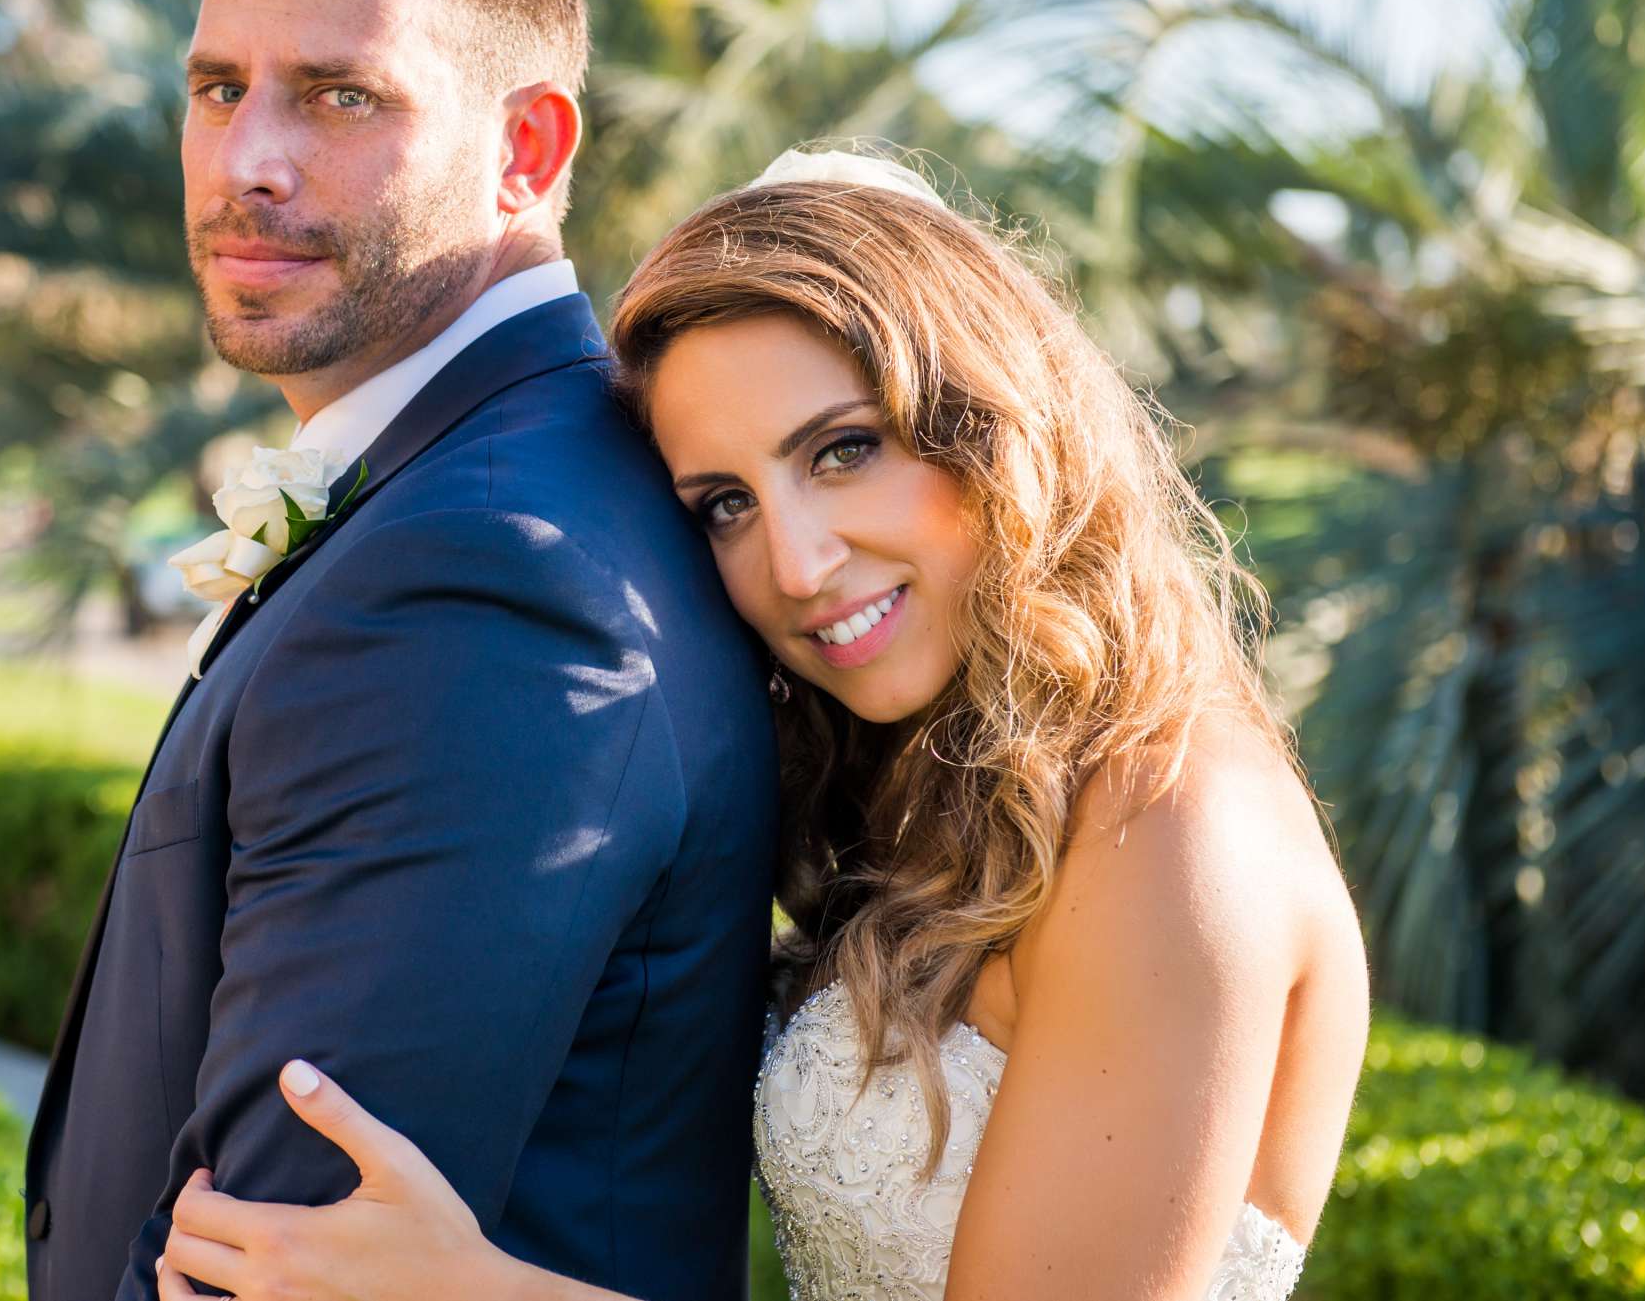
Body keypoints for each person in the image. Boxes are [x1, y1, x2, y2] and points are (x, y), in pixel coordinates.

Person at [152, 152, 1373, 1300]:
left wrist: (478, 1287)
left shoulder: (1170, 822)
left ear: (995, 422)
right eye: (724, 503)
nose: (796, 562)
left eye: (844, 450)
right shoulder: (938, 789)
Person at [19, 0, 779, 1301]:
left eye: (340, 94)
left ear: (530, 154)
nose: (249, 158)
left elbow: (278, 1259)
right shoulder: (472, 483)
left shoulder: (487, 576)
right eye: (218, 87)